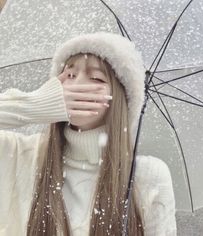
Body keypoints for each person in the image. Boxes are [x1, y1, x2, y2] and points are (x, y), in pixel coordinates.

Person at [0, 32, 177, 236]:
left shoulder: (147, 176)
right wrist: (35, 105)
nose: (77, 85)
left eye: (95, 78)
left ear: (119, 99)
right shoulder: (21, 155)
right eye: (70, 76)